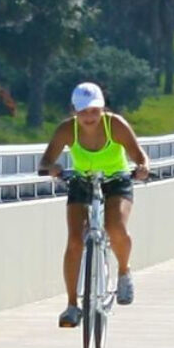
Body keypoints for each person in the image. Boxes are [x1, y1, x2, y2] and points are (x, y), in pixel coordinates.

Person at [38, 82, 151, 328]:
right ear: (73, 112)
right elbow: (46, 160)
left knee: (115, 227)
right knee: (75, 240)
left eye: (93, 111)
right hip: (82, 180)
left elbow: (138, 154)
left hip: (117, 179)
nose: (89, 117)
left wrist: (142, 167)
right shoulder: (67, 130)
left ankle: (123, 271)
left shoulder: (115, 125)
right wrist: (52, 168)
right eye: (83, 111)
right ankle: (71, 305)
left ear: (102, 109)